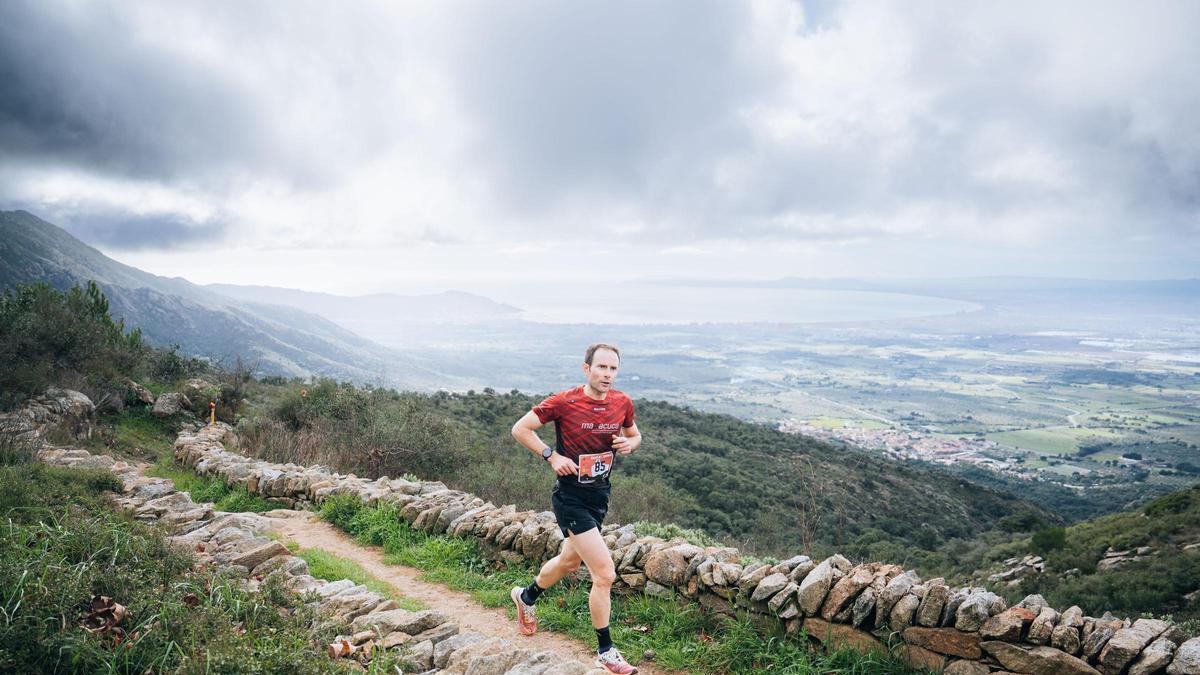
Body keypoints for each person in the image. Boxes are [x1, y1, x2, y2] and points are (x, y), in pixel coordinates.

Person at [509, 343, 642, 675]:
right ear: (587, 369)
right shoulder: (564, 401)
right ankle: (606, 651)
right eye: (601, 368)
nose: (607, 375)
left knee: (569, 562)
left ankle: (526, 597)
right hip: (570, 499)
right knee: (605, 573)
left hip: (600, 497)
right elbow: (520, 429)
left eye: (613, 369)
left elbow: (635, 435)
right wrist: (551, 456)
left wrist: (630, 444)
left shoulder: (622, 402)